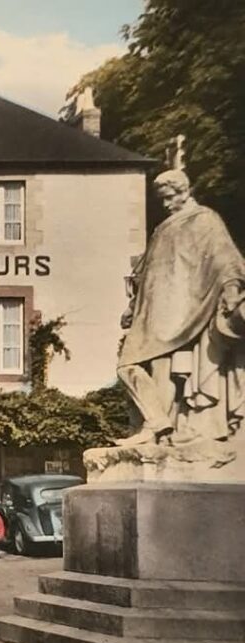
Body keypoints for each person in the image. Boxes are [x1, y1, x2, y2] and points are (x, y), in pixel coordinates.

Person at [116, 169, 245, 446]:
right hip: (154, 313)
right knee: (129, 365)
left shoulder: (204, 220)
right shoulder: (163, 228)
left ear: (184, 192)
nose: (165, 204)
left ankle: (156, 426)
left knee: (161, 368)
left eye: (169, 197)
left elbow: (226, 259)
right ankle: (158, 421)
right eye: (161, 199)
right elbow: (146, 274)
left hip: (186, 311)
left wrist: (231, 289)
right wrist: (132, 306)